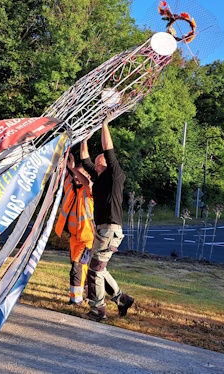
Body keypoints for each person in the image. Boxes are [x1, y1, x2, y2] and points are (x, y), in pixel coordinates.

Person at [79, 116, 135, 321]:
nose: (98, 158)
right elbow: (84, 159)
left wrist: (104, 124)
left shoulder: (115, 175)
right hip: (104, 230)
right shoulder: (100, 176)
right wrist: (84, 138)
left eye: (101, 157)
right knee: (99, 268)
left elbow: (108, 148)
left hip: (109, 230)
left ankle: (98, 311)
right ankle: (122, 299)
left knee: (94, 270)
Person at [55, 152, 94, 305]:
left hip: (86, 239)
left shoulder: (89, 191)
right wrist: (62, 155)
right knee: (85, 270)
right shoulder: (70, 187)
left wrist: (73, 169)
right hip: (74, 238)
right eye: (75, 176)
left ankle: (75, 300)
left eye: (80, 175)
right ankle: (119, 297)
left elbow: (88, 184)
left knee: (77, 268)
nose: (76, 178)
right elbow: (62, 172)